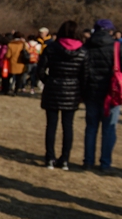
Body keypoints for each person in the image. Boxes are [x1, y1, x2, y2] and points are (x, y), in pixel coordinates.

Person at [37, 20, 86, 170]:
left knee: (51, 125)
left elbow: (40, 69)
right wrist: (79, 90)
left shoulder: (51, 48)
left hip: (53, 88)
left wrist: (49, 80)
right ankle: (65, 159)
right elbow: (85, 75)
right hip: (72, 90)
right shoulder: (83, 51)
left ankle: (50, 158)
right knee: (68, 126)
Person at [82, 19, 120, 172]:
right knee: (109, 129)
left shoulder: (86, 46)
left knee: (91, 128)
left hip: (91, 91)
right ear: (110, 31)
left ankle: (88, 161)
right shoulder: (117, 47)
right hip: (111, 93)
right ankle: (105, 163)